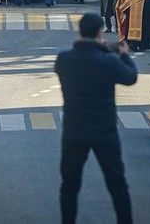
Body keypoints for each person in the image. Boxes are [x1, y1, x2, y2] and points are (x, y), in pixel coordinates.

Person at [55, 12, 137, 224]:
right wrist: (123, 53)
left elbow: (80, 52)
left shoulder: (64, 60)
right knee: (117, 183)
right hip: (104, 131)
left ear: (80, 31)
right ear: (100, 32)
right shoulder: (108, 61)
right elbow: (130, 77)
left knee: (70, 185)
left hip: (74, 131)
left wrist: (100, 47)